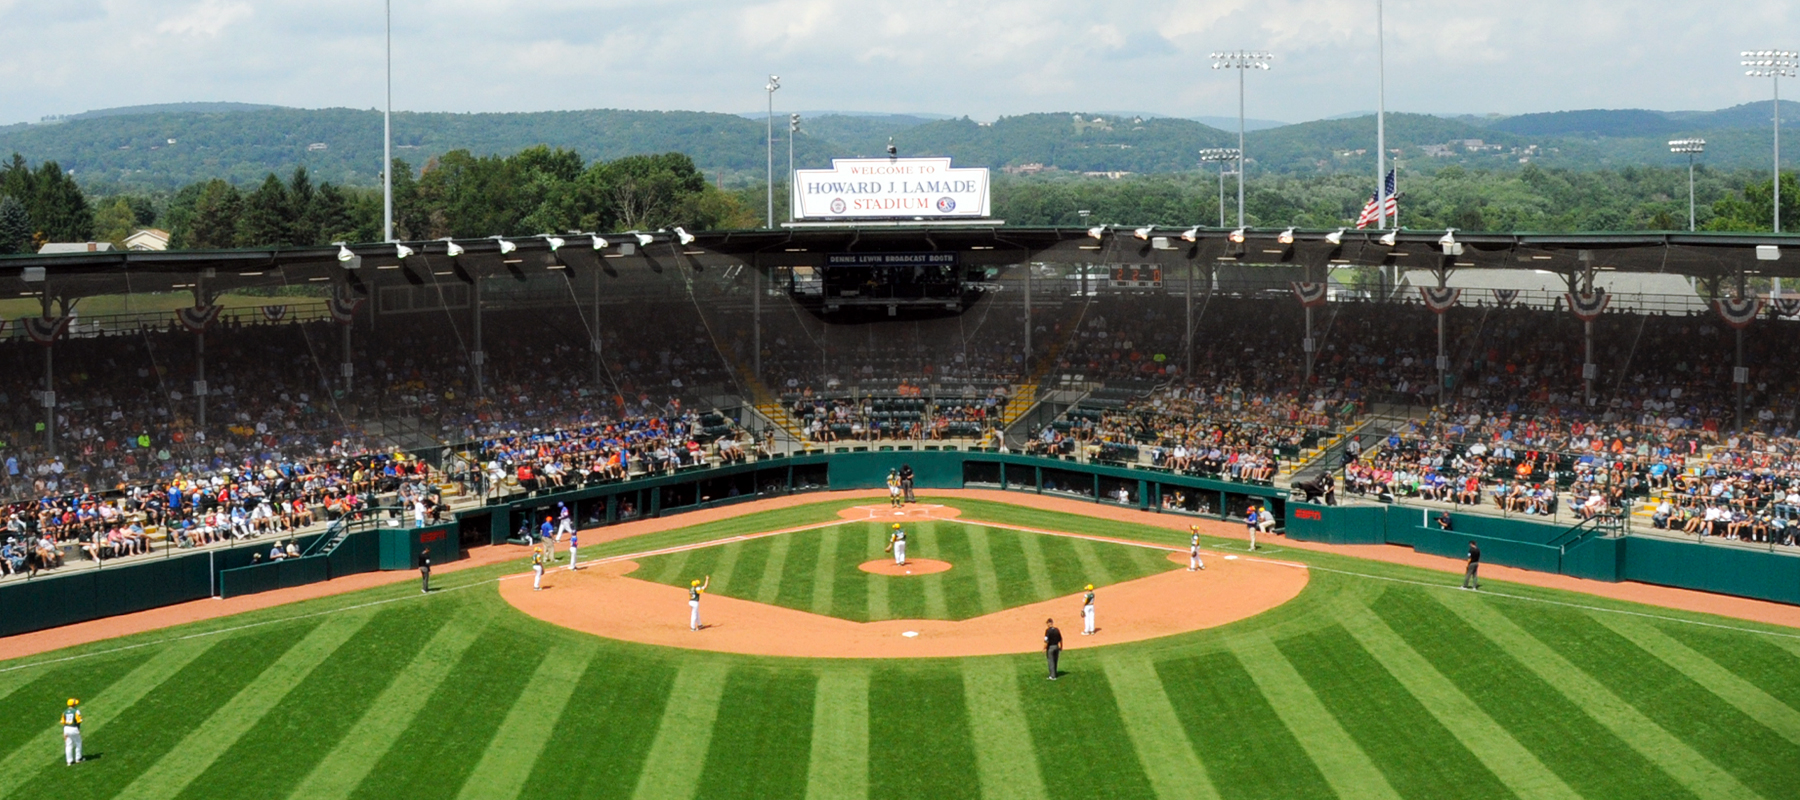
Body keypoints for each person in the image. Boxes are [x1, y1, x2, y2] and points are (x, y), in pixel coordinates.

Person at [61, 698, 83, 765]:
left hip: (66, 728)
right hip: (73, 728)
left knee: (68, 745)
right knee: (78, 743)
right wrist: (78, 729)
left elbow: (63, 722)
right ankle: (78, 758)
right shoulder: (76, 711)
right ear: (73, 704)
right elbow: (79, 721)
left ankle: (69, 761)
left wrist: (64, 732)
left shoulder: (64, 712)